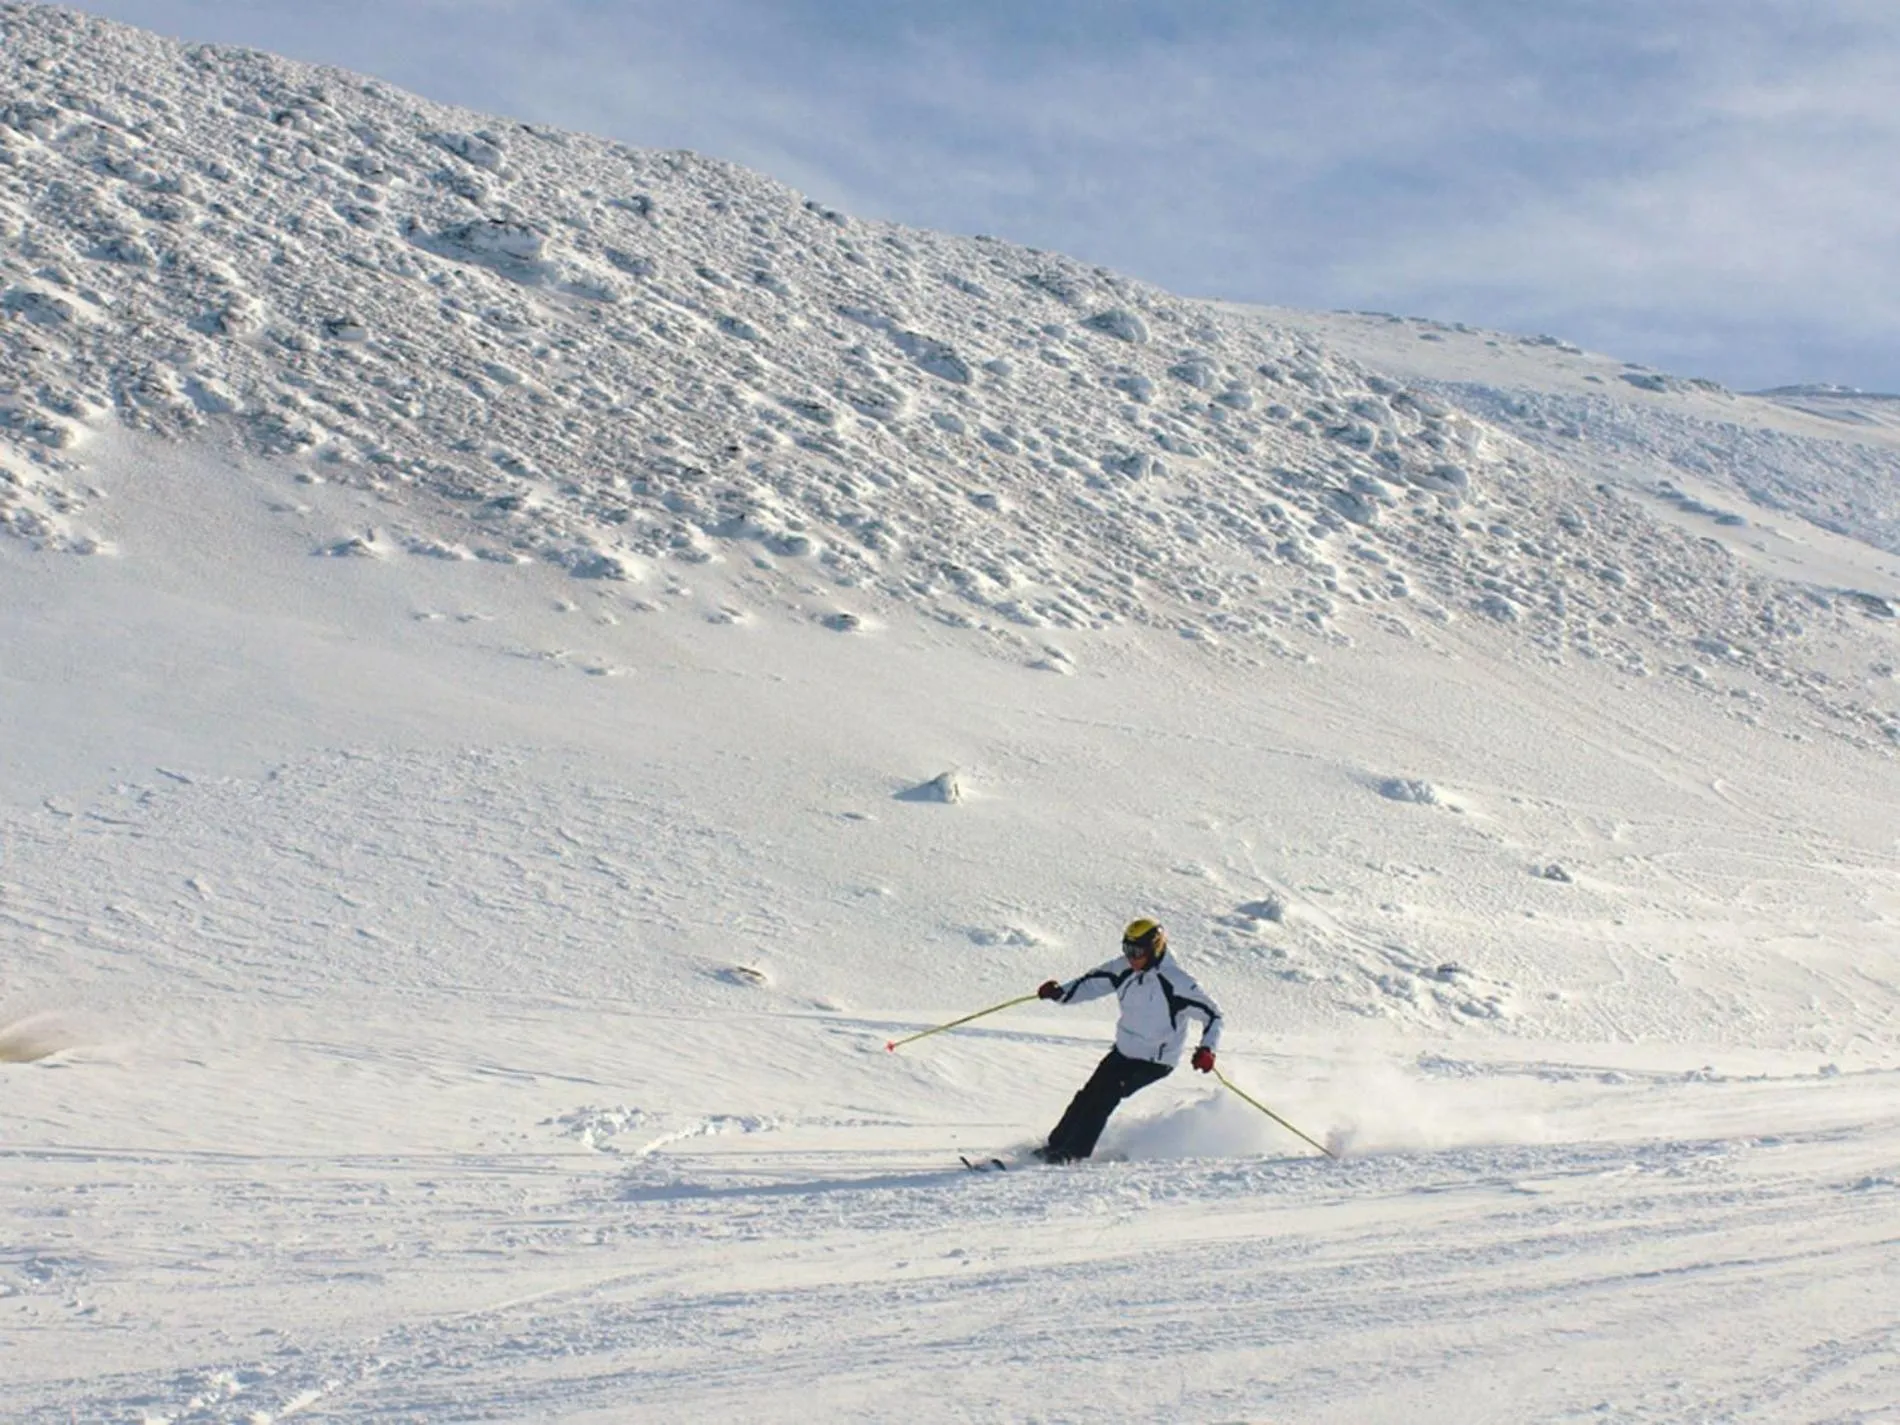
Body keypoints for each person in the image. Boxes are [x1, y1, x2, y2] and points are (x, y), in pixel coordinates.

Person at [1032, 918, 1222, 1163]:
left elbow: (1214, 1015)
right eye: (1127, 950)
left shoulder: (1177, 982)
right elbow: (1091, 983)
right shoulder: (1123, 969)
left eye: (1137, 952)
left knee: (1105, 1096)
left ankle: (1072, 1154)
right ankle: (1055, 1145)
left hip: (1155, 1060)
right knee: (1088, 1094)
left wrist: (1208, 1048)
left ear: (1154, 949)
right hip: (1124, 1051)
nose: (1131, 958)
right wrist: (1060, 993)